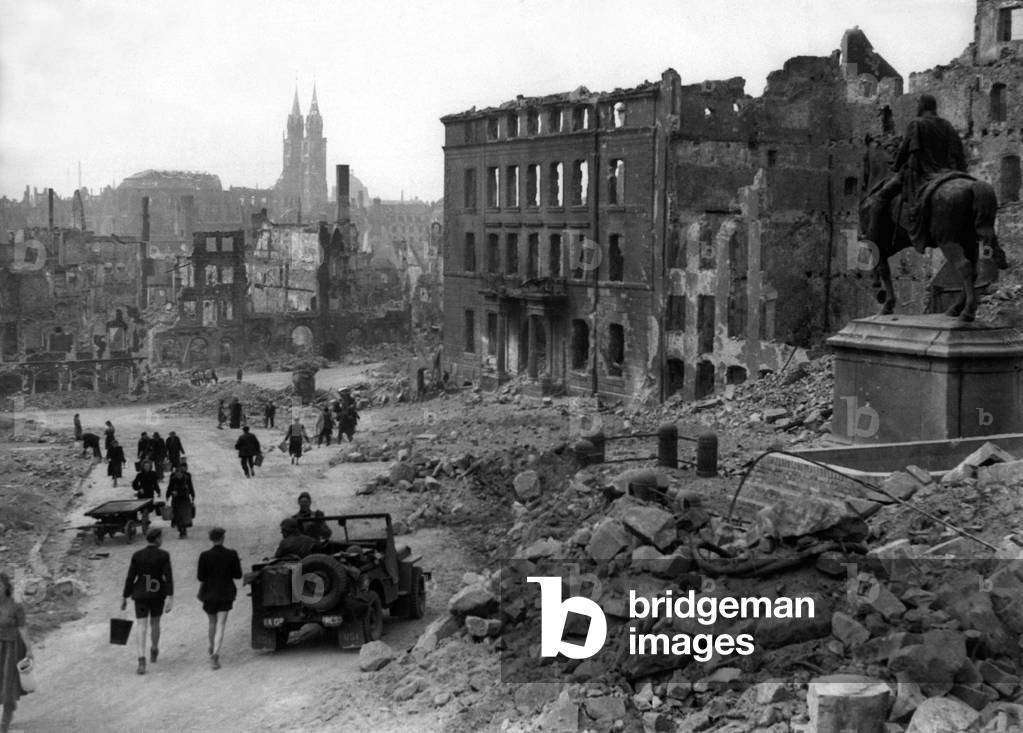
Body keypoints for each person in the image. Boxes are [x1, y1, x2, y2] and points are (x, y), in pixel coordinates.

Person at [121, 528, 173, 675]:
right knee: (155, 622)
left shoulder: (137, 555)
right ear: (156, 539)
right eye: (161, 537)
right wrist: (170, 596)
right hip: (157, 594)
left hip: (140, 594)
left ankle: (141, 659)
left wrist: (124, 596)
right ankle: (154, 648)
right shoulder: (164, 555)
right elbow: (168, 577)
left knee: (141, 625)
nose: (161, 540)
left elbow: (130, 577)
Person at [197, 527, 242, 670]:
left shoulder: (204, 555)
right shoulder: (231, 554)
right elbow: (238, 575)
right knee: (221, 623)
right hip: (225, 592)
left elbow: (200, 577)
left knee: (212, 622)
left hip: (209, 593)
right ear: (223, 538)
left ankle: (211, 645)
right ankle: (216, 653)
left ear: (211, 539)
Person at [0, 571, 33, 733]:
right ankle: (10, 706)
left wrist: (29, 648)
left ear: (6, 587)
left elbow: (22, 627)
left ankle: (4, 725)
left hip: (11, 648)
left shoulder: (15, 606)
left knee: (8, 683)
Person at [165, 464, 195, 539]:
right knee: (177, 516)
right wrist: (168, 495)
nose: (178, 475)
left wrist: (193, 495)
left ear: (182, 473)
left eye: (180, 473)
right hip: (176, 500)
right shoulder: (173, 479)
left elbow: (190, 486)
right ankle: (181, 530)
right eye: (177, 473)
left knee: (184, 516)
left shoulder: (186, 478)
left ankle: (183, 531)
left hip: (184, 499)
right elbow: (170, 487)